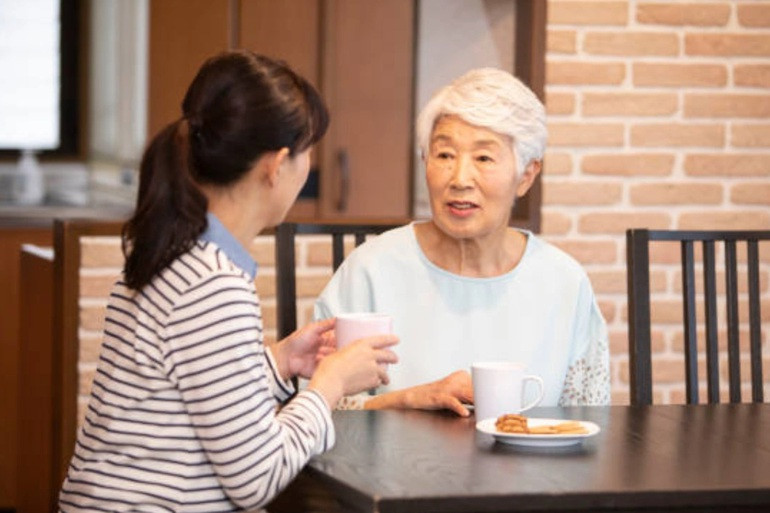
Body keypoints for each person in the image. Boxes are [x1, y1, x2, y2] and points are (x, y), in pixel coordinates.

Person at [58, 50, 398, 512]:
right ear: (277, 165)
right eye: (308, 151)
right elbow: (257, 478)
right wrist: (331, 384)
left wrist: (278, 363)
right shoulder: (213, 286)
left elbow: (186, 394)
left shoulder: (170, 251)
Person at [315, 67, 609, 416]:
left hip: (528, 469)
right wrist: (409, 400)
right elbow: (316, 409)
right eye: (445, 155)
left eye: (483, 158)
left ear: (526, 175)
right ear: (425, 162)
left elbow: (591, 422)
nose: (460, 179)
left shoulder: (563, 282)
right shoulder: (370, 271)